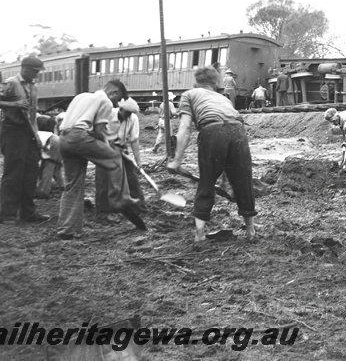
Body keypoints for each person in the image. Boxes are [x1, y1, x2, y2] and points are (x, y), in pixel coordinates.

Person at [167, 66, 257, 242]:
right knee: (243, 182)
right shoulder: (222, 98)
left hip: (212, 130)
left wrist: (176, 161)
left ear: (196, 82)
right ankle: (251, 231)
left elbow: (185, 127)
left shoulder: (189, 95)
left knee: (206, 182)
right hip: (238, 131)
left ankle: (200, 235)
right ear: (216, 83)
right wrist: (226, 178)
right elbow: (229, 126)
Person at [56, 80, 143, 239]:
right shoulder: (105, 101)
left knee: (72, 186)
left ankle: (67, 230)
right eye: (118, 99)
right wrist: (107, 149)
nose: (116, 103)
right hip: (80, 138)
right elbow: (98, 132)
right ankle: (119, 199)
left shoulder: (81, 96)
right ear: (114, 92)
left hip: (64, 139)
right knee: (115, 158)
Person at [0, 56, 50, 224]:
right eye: (35, 72)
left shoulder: (33, 87)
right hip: (12, 132)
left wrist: (37, 137)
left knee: (30, 174)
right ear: (25, 68)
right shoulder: (11, 83)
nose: (36, 75)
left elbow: (32, 116)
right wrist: (14, 104)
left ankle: (28, 213)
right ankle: (8, 215)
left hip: (28, 134)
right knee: (13, 174)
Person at [96, 97, 146, 210]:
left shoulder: (133, 119)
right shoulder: (108, 115)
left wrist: (138, 161)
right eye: (127, 113)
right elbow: (98, 133)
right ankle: (103, 209)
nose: (128, 116)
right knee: (103, 177)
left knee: (131, 175)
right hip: (104, 147)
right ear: (121, 109)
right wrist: (108, 147)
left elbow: (134, 140)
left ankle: (138, 205)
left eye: (131, 113)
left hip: (121, 147)